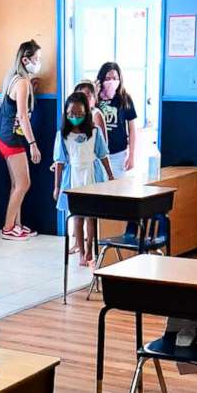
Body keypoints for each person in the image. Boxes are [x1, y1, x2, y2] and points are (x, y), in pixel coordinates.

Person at [53, 85, 115, 270]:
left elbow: (103, 155)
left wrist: (111, 175)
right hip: (73, 179)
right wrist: (57, 187)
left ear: (86, 113)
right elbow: (59, 162)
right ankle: (81, 251)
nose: (75, 117)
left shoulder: (94, 133)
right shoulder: (62, 136)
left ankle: (89, 250)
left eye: (79, 113)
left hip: (92, 176)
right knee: (77, 217)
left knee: (91, 217)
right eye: (71, 113)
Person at [0, 41, 43, 239]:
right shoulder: (21, 82)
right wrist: (33, 145)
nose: (39, 63)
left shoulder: (16, 79)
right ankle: (8, 228)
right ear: (25, 60)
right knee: (23, 184)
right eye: (36, 59)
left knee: (18, 185)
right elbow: (23, 117)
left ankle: (16, 224)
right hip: (11, 139)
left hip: (5, 136)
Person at [94, 61, 142, 181]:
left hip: (118, 154)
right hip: (96, 154)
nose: (111, 81)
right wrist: (94, 94)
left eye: (115, 78)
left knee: (117, 190)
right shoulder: (95, 98)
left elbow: (132, 129)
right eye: (108, 78)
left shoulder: (125, 98)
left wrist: (131, 155)